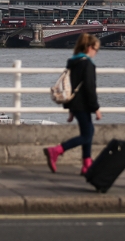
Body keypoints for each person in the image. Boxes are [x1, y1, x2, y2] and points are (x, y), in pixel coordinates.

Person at [43, 33, 102, 175]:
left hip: (75, 104)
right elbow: (89, 87)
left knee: (88, 132)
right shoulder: (87, 64)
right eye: (96, 49)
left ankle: (87, 164)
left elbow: (70, 87)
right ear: (89, 47)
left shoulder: (73, 62)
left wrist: (71, 110)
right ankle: (57, 150)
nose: (96, 52)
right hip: (83, 105)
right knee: (87, 135)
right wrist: (96, 108)